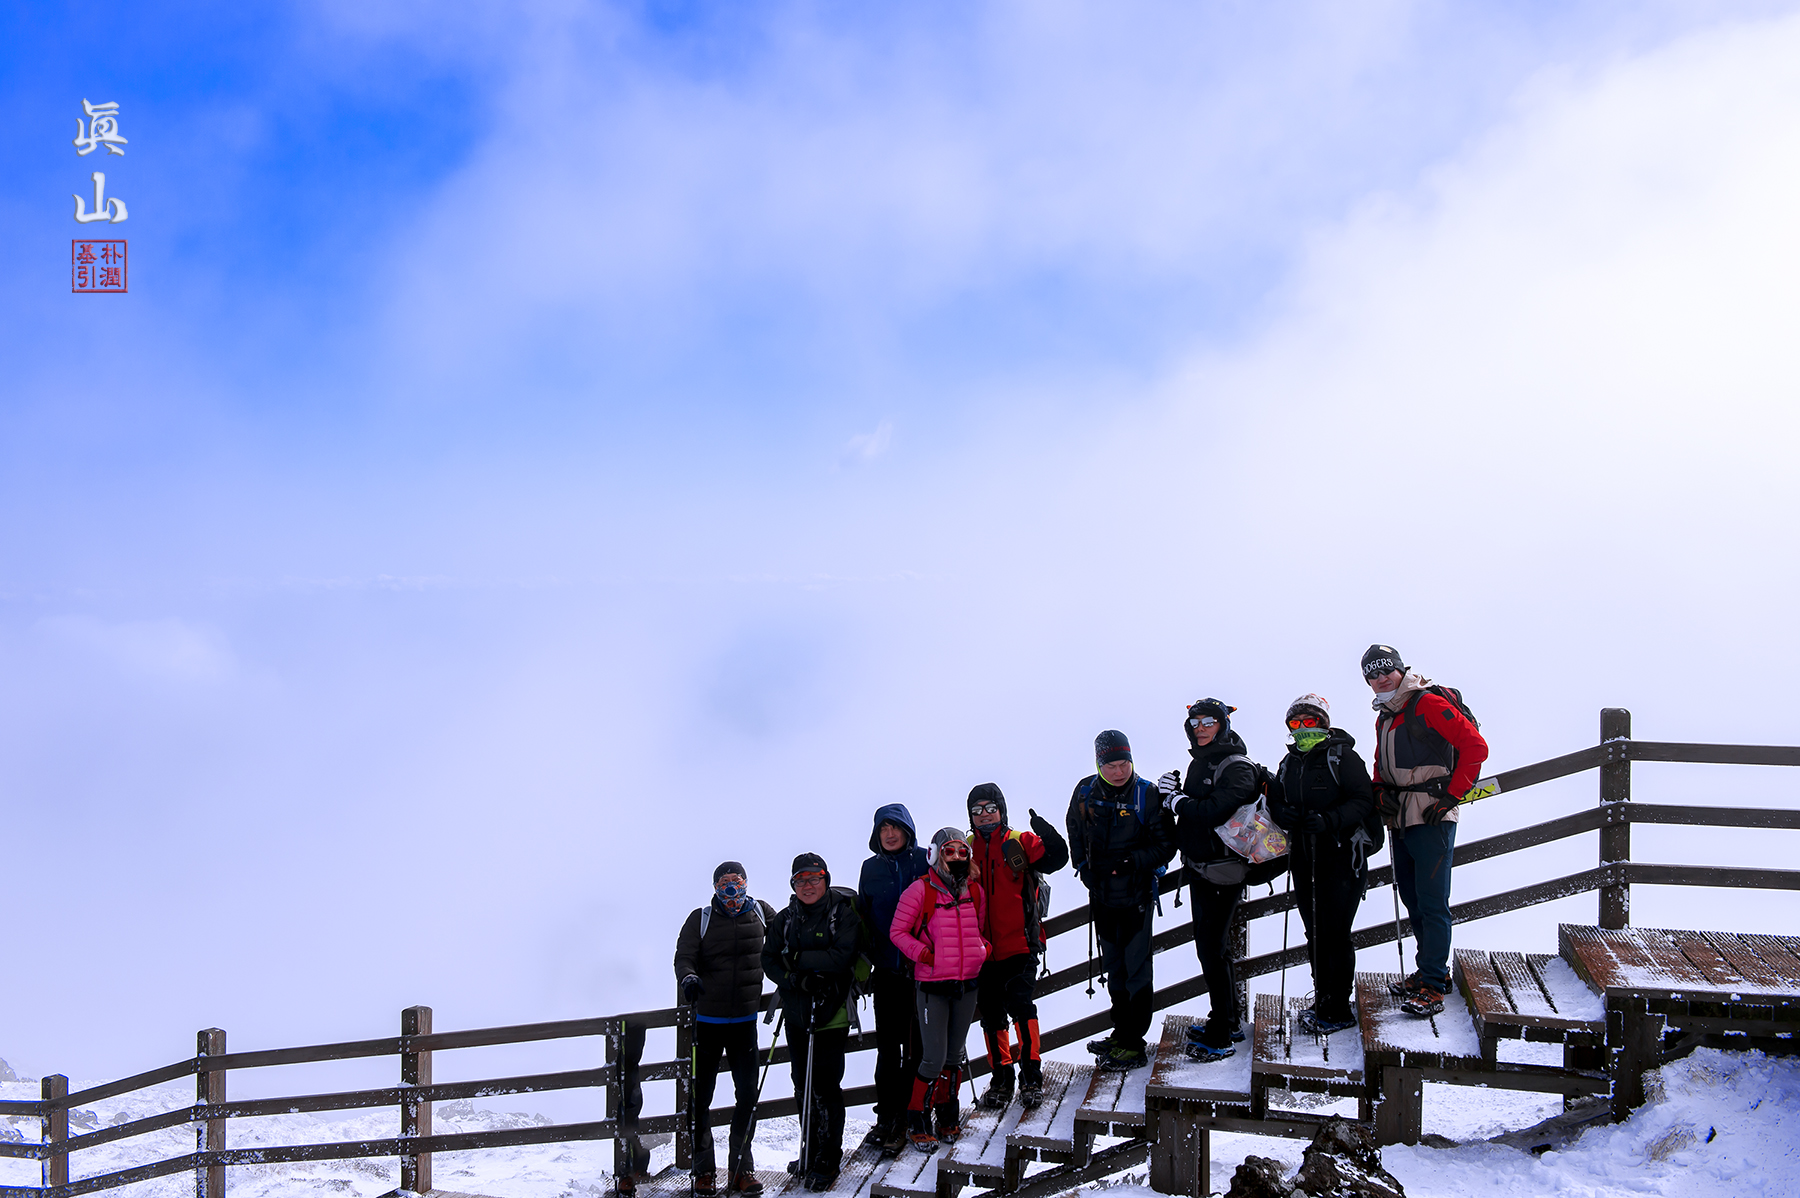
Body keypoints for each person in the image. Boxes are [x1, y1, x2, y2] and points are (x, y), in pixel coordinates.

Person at [1361, 644, 1490, 1017]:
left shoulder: (1427, 703)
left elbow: (1475, 747)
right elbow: (1381, 763)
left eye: (1386, 670)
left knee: (1432, 901)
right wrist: (1379, 790)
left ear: (1401, 669)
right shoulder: (1386, 715)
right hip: (1401, 816)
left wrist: (1451, 797)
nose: (1381, 678)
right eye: (1372, 674)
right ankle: (1432, 970)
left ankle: (1432, 985)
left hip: (1432, 814)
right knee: (1413, 898)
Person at [1158, 698, 1274, 1063]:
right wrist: (1174, 794)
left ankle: (1222, 1033)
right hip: (1202, 869)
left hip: (1223, 871)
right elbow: (1198, 806)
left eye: (1208, 721)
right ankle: (1226, 1020)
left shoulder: (1236, 766)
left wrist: (1175, 801)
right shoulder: (1202, 761)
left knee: (1211, 949)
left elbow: (1213, 811)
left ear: (1223, 724)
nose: (1200, 728)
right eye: (1194, 723)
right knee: (1213, 949)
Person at [1066, 730, 1177, 1071]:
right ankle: (1121, 1032)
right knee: (1114, 968)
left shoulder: (1147, 794)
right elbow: (1075, 831)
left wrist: (1132, 862)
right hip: (1101, 897)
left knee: (1136, 971)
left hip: (1136, 896)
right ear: (1098, 764)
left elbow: (1166, 845)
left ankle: (1134, 1044)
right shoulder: (1085, 792)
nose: (1118, 772)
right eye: (1110, 766)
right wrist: (1083, 869)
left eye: (1123, 764)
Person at [1266, 695, 1376, 1036]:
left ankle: (1338, 1006)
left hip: (1342, 857)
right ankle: (1323, 997)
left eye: (1309, 721)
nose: (1302, 728)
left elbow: (1364, 800)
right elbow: (1277, 800)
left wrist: (1329, 820)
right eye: (1295, 723)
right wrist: (1284, 814)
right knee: (1313, 930)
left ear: (1323, 722)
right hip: (1303, 857)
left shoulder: (1343, 757)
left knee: (1336, 931)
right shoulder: (1289, 762)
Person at [674, 862, 776, 1198]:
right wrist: (689, 977)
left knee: (747, 1095)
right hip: (708, 1022)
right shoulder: (700, 919)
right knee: (700, 1097)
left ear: (746, 882)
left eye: (736, 880)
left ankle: (741, 1168)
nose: (731, 887)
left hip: (745, 1022)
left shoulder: (761, 913)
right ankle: (704, 1171)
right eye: (724, 882)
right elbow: (684, 956)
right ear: (715, 886)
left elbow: (785, 941)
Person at [761, 853, 860, 1192]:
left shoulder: (841, 914)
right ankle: (811, 1150)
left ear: (825, 880)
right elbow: (769, 959)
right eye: (800, 880)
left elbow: (842, 956)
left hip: (832, 1012)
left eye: (814, 878)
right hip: (797, 1013)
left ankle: (828, 1159)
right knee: (802, 1084)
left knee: (826, 1085)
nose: (807, 885)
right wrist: (795, 980)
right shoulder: (786, 919)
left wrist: (796, 959)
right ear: (793, 885)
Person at [966, 783, 1068, 1109]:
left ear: (1001, 809)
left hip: (1021, 944)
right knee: (991, 1015)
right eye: (977, 810)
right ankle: (1001, 1079)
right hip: (982, 951)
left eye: (990, 808)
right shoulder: (966, 848)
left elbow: (1056, 859)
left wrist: (1046, 832)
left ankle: (1031, 1079)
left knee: (1022, 1008)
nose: (984, 815)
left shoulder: (1019, 841)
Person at [890, 828, 990, 1152]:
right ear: (934, 854)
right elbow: (898, 932)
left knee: (953, 1056)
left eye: (962, 851)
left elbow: (979, 929)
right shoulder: (920, 890)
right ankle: (918, 1119)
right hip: (932, 986)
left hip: (967, 984)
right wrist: (924, 954)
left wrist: (982, 950)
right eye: (949, 851)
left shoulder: (974, 891)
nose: (957, 857)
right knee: (932, 1058)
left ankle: (948, 1116)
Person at [856, 804, 931, 1157]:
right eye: (883, 828)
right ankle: (886, 1117)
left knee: (917, 1048)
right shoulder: (870, 869)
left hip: (922, 972)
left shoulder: (925, 861)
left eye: (895, 827)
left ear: (907, 830)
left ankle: (912, 1115)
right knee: (887, 1050)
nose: (889, 834)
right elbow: (865, 918)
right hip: (886, 973)